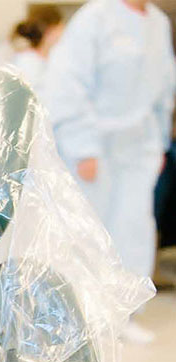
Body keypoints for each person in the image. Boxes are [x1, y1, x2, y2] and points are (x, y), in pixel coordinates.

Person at [43, 0, 176, 343]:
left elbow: (164, 87)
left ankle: (124, 316)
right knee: (90, 233)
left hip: (139, 149)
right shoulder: (96, 17)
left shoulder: (157, 23)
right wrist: (83, 145)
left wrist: (159, 140)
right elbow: (68, 83)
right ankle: (83, 321)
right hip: (95, 149)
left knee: (134, 231)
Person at [10, 5, 65, 90]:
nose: (63, 33)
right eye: (61, 27)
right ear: (50, 30)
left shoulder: (49, 58)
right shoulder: (28, 61)